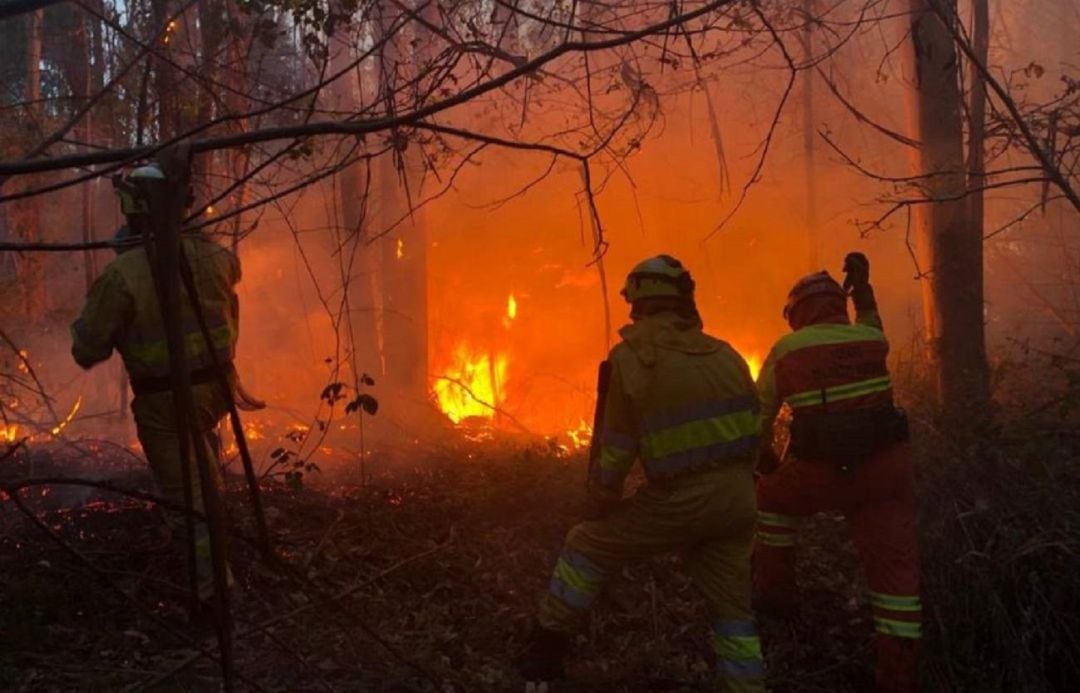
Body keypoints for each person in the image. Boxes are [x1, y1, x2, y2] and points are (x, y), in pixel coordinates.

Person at [519, 255, 766, 692]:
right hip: (739, 500)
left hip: (683, 500)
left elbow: (615, 450)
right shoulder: (726, 355)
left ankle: (544, 653)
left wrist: (600, 499)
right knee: (733, 615)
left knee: (587, 544)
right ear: (682, 298)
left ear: (637, 301)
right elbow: (755, 431)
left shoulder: (633, 357)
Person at [70, 163, 240, 601]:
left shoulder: (122, 274)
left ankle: (213, 594)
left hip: (165, 401)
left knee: (188, 502)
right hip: (218, 389)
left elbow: (88, 350)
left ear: (136, 210)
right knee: (202, 470)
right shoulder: (218, 256)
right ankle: (217, 549)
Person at [754, 253, 921, 692]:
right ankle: (899, 675)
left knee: (769, 501)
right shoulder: (870, 338)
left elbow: (756, 418)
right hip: (884, 473)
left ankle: (777, 602)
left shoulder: (788, 349)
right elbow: (872, 323)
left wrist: (765, 462)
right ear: (837, 305)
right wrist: (863, 290)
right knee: (897, 578)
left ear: (797, 313)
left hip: (819, 472)